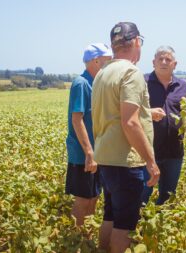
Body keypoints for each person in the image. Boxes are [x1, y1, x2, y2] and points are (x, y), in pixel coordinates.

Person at [91, 22, 160, 253]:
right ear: (137, 42)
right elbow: (130, 122)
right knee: (125, 225)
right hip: (125, 161)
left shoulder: (102, 73)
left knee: (110, 215)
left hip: (106, 158)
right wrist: (150, 161)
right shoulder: (131, 72)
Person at [65, 43, 112, 226]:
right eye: (107, 60)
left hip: (96, 152)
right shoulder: (81, 84)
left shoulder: (96, 83)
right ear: (96, 60)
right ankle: (76, 238)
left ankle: (86, 235)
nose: (110, 64)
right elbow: (77, 120)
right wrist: (89, 153)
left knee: (93, 197)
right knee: (83, 199)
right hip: (84, 155)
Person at [141, 46, 186, 205]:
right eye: (160, 59)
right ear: (153, 62)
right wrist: (148, 112)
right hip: (146, 152)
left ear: (175, 64)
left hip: (174, 153)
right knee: (141, 196)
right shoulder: (141, 82)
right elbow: (129, 111)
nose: (164, 62)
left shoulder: (183, 87)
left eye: (168, 59)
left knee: (168, 197)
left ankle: (159, 225)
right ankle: (136, 228)